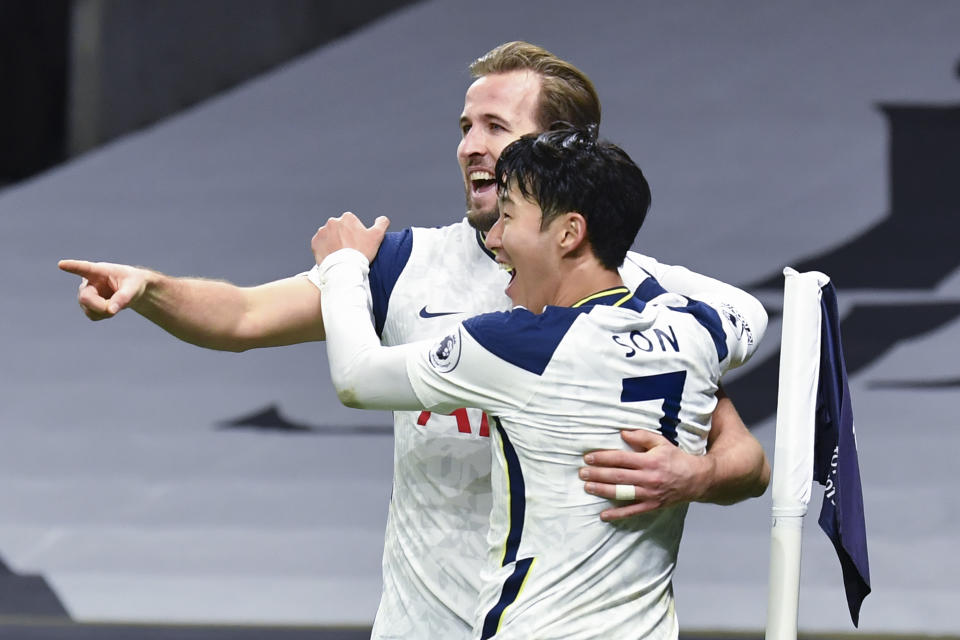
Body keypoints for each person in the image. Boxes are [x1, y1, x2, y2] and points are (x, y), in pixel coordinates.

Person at [59, 42, 769, 638]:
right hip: (420, 625)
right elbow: (242, 318)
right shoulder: (402, 266)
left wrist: (700, 476)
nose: (469, 147)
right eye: (464, 127)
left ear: (558, 151)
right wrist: (149, 288)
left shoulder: (633, 294)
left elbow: (742, 451)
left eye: (494, 125)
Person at [311, 127, 753, 639]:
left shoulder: (520, 345)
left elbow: (356, 378)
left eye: (507, 216)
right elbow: (747, 316)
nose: (494, 239)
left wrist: (342, 264)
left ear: (568, 234)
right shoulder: (694, 332)